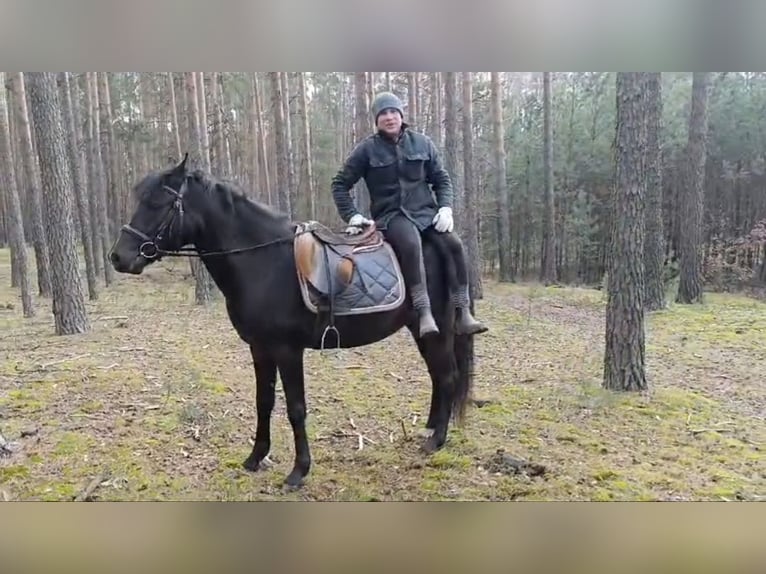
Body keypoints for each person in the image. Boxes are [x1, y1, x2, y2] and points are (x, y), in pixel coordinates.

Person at [330, 91, 487, 338]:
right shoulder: (367, 150)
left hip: (426, 213)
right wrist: (352, 215)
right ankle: (423, 312)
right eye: (383, 114)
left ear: (401, 116)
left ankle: (463, 311)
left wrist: (445, 207)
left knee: (454, 245)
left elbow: (442, 179)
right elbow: (340, 184)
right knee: (410, 243)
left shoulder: (422, 143)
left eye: (393, 112)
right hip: (391, 217)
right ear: (376, 120)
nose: (389, 117)